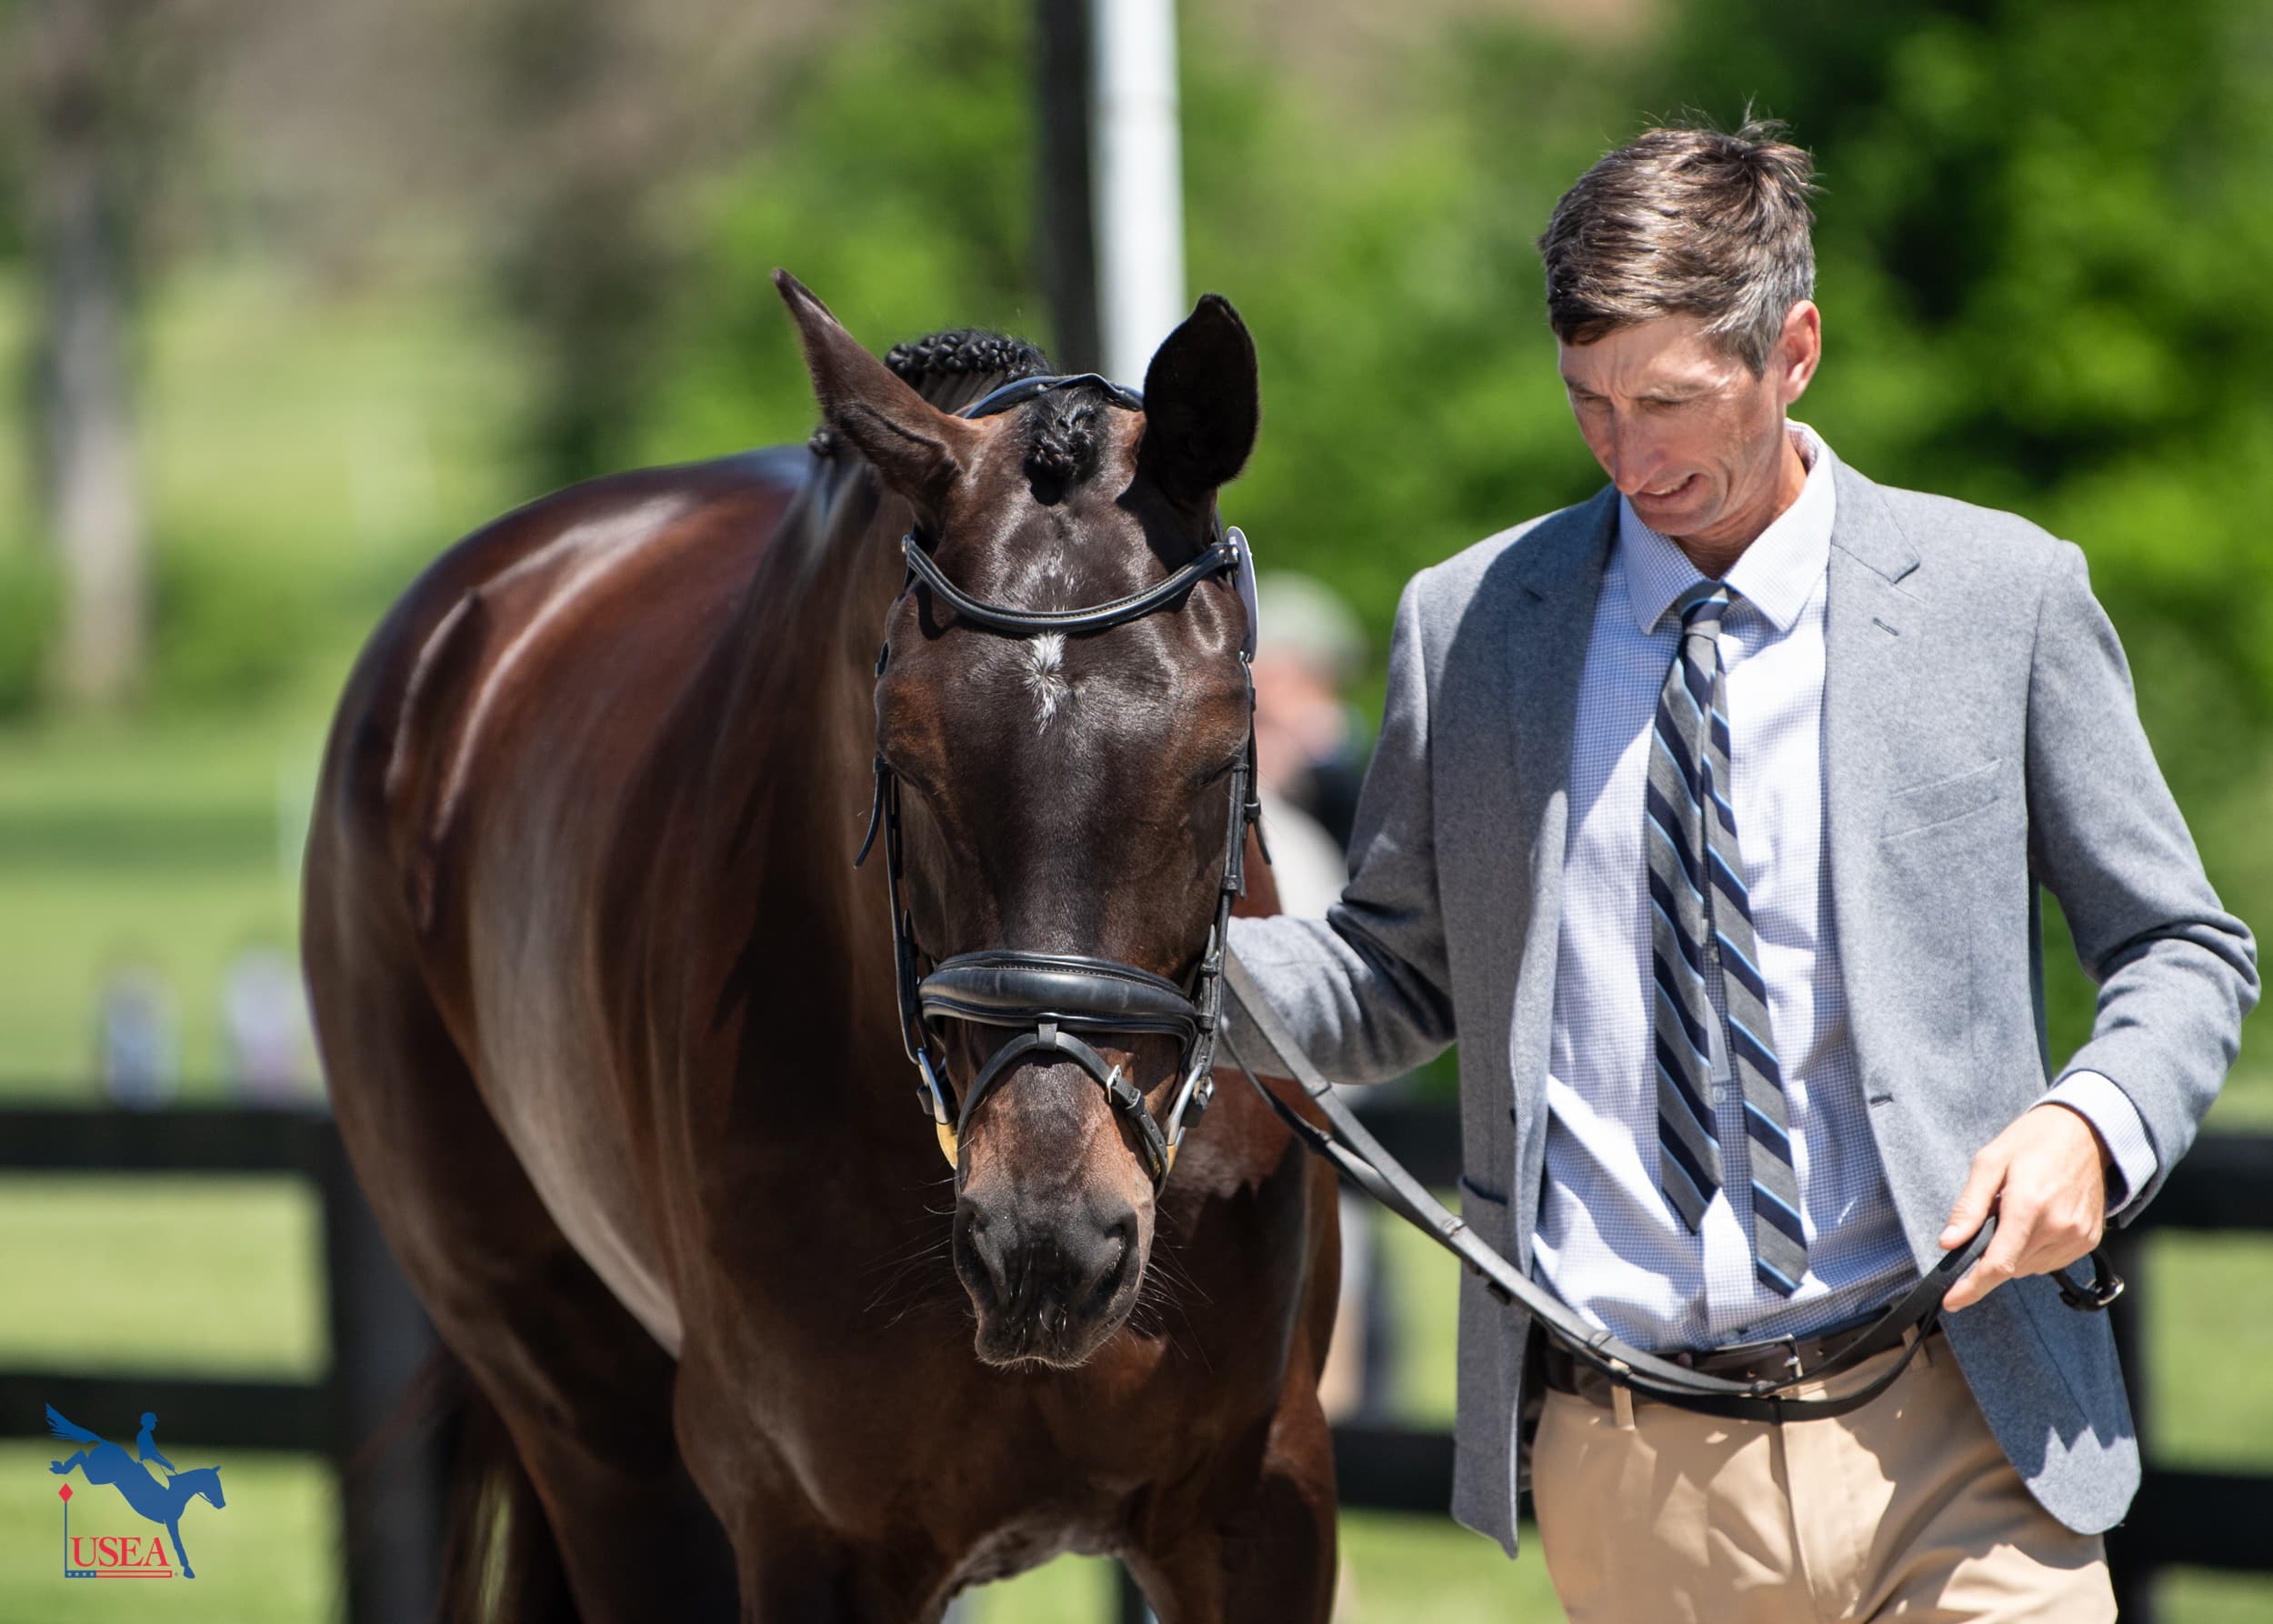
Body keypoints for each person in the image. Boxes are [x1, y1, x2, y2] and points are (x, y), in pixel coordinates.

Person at [1224, 122, 2258, 1620]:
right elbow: (1394, 972)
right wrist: (1143, 959)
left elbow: (2182, 945)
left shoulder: (2002, 596)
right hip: (1635, 1465)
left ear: (1795, 350)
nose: (1631, 457)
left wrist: (2091, 1127)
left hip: (1968, 1426)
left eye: (1670, 401)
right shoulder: (1472, 629)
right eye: (1589, 405)